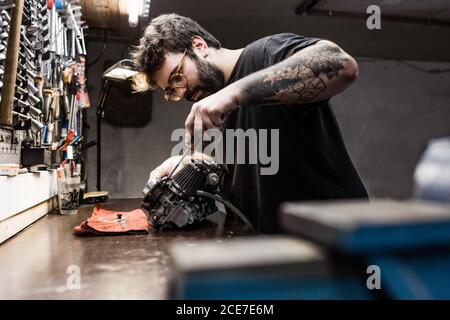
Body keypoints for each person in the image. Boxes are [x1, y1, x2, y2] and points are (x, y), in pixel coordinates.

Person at [130, 13, 368, 233]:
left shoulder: (264, 55)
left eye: (177, 77)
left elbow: (342, 65)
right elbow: (253, 165)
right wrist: (192, 162)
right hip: (279, 251)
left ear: (199, 46)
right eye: (171, 90)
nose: (180, 93)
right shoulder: (213, 106)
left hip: (337, 240)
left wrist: (232, 95)